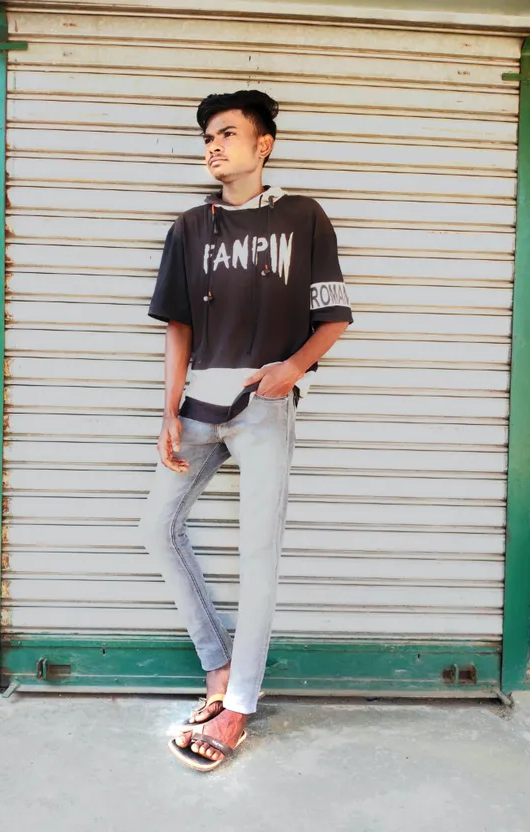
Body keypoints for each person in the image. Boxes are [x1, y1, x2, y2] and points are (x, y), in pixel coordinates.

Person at [140, 89, 353, 771]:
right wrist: (168, 411)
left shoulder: (303, 218)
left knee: (258, 556)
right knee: (156, 528)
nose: (213, 145)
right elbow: (179, 326)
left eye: (228, 134)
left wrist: (290, 368)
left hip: (264, 405)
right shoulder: (189, 228)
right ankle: (218, 671)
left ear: (264, 146)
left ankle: (239, 709)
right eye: (207, 136)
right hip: (200, 403)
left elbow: (334, 318)